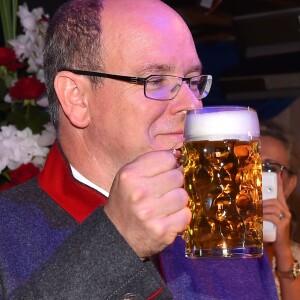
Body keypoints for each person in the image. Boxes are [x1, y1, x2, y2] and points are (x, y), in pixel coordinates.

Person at [0, 0, 278, 299]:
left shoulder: (223, 225)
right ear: (76, 97)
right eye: (156, 80)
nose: (192, 104)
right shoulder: (8, 233)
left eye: (193, 81)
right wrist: (116, 243)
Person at [260, 120, 300, 300]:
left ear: (289, 185)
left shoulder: (295, 256)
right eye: (248, 163)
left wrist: (283, 252)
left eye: (269, 168)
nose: (257, 176)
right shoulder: (211, 247)